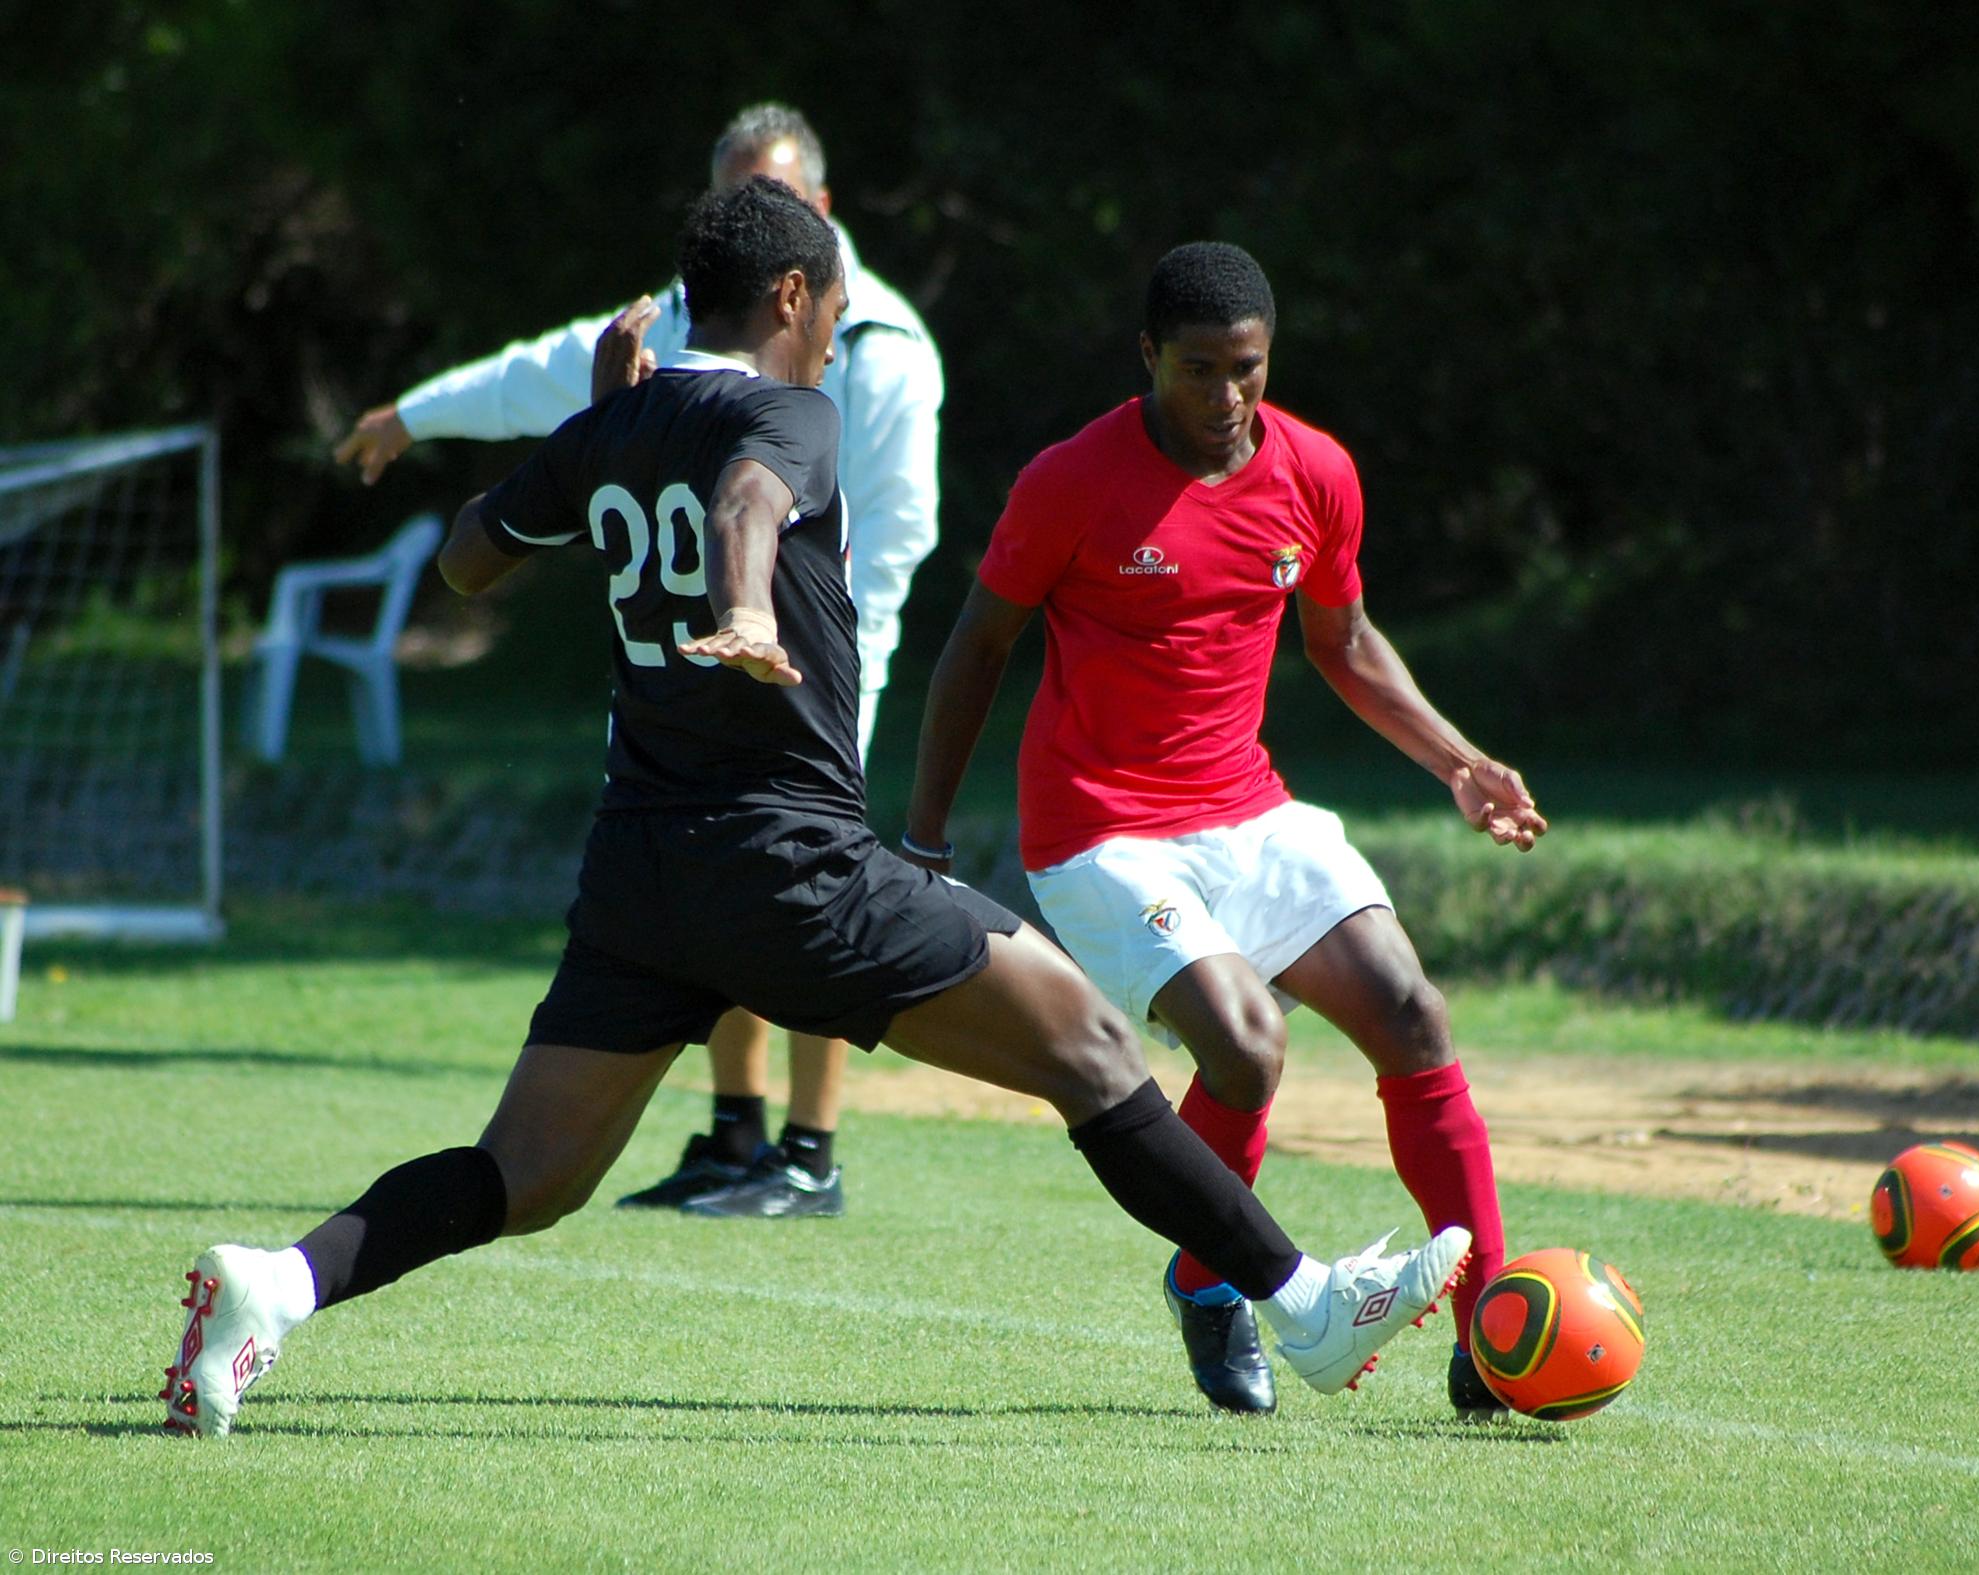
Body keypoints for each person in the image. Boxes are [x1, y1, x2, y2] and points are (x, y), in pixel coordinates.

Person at [163, 182, 1466, 1441]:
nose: (839, 329)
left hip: (639, 872)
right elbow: (746, 496)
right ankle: (1304, 1306)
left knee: (528, 1175)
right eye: (835, 304)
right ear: (790, 291)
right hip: (786, 859)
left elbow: (465, 556)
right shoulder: (790, 415)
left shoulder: (614, 423)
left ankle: (275, 1283)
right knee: (1091, 1049)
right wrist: (740, 602)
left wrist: (590, 438)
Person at [904, 242, 1545, 1419]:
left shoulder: (1315, 471)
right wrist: (927, 844)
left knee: (1412, 1013)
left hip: (1247, 809)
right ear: (1148, 357)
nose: (1224, 398)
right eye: (1197, 371)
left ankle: (1490, 1336)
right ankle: (1215, 1285)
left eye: (1245, 370)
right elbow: (977, 648)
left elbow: (1344, 645)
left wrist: (1459, 763)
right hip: (1098, 832)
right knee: (1246, 1045)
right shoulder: (1070, 481)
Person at [334, 103, 939, 1220]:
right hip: (700, 655)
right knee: (717, 871)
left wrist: (835, 661)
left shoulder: (881, 345)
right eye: (732, 196)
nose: (756, 215)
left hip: (816, 659)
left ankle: (810, 1150)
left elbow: (891, 533)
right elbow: (541, 377)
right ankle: (735, 1132)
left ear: (822, 210)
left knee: (808, 882)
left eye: (776, 193)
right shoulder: (679, 321)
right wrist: (416, 416)